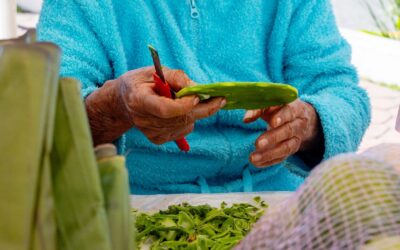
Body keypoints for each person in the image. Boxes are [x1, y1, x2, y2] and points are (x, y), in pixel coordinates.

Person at [37, 0, 370, 194]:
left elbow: (342, 93)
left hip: (276, 194)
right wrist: (114, 106)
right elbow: (45, 121)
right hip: (130, 200)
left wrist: (308, 121)